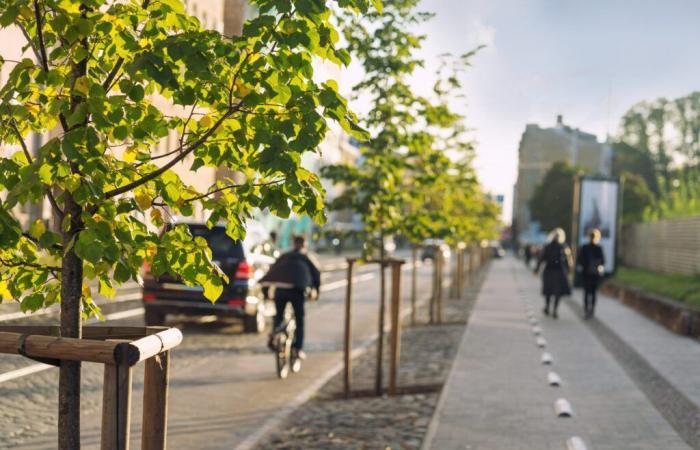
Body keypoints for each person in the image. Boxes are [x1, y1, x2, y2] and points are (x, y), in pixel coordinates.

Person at [261, 235, 320, 360]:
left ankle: (275, 333)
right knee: (299, 319)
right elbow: (316, 275)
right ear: (305, 245)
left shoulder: (284, 256)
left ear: (294, 244)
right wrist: (316, 291)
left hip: (280, 289)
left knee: (278, 316)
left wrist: (266, 292)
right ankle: (298, 349)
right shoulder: (306, 257)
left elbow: (272, 272)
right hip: (297, 291)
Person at [534, 228, 573, 319]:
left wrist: (536, 269)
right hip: (558, 271)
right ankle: (552, 309)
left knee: (549, 291)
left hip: (550, 271)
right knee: (556, 292)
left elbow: (541, 259)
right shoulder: (563, 247)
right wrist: (569, 270)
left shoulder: (549, 246)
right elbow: (569, 261)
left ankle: (549, 308)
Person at [576, 229, 605, 319]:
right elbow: (602, 261)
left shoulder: (595, 248)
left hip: (591, 273)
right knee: (590, 293)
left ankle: (589, 310)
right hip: (590, 274)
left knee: (590, 293)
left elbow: (602, 261)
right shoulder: (587, 248)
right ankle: (589, 310)